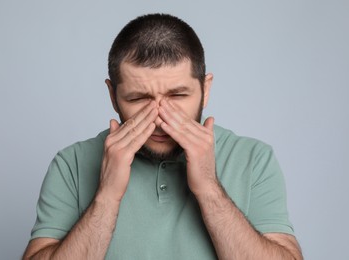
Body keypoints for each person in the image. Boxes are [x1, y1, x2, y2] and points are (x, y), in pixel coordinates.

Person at [23, 13, 303, 259]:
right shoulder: (71, 163)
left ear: (205, 90)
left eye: (178, 95)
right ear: (113, 96)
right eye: (138, 99)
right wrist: (106, 196)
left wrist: (208, 188)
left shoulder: (254, 159)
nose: (160, 118)